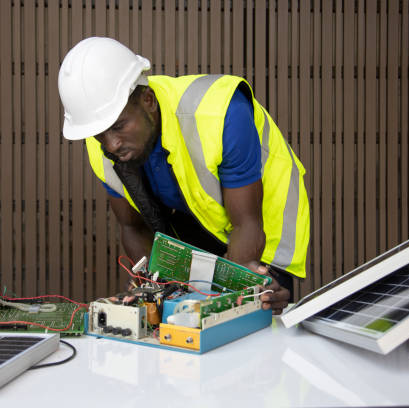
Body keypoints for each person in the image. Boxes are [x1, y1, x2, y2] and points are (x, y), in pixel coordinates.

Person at [58, 37, 310, 314]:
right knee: (180, 323)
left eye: (118, 126)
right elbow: (132, 227)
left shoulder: (221, 112)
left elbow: (246, 223)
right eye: (99, 133)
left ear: (148, 100)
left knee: (248, 317)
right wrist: (152, 288)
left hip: (259, 225)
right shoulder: (104, 147)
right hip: (196, 221)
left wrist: (235, 292)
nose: (111, 144)